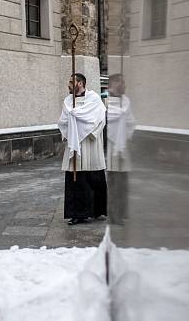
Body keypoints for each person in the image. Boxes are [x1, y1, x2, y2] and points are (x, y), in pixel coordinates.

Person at [58, 73, 108, 225]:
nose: (69, 85)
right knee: (76, 179)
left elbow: (100, 118)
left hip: (90, 144)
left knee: (93, 176)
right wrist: (70, 130)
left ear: (80, 83)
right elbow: (63, 121)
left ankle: (97, 210)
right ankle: (77, 213)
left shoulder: (94, 99)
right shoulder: (68, 101)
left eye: (71, 82)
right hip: (75, 144)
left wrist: (90, 132)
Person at [106, 74, 135, 225]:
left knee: (123, 182)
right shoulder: (107, 102)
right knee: (113, 182)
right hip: (111, 147)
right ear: (114, 84)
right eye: (122, 82)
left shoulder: (126, 102)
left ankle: (122, 212)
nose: (125, 85)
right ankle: (113, 214)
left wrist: (127, 137)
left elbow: (131, 122)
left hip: (123, 146)